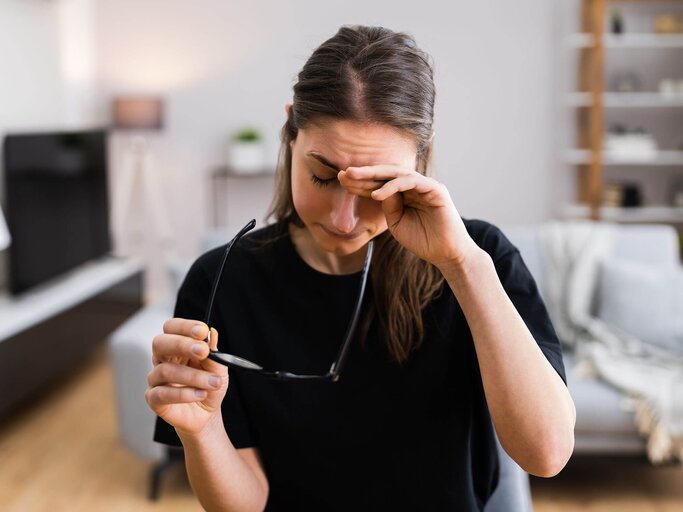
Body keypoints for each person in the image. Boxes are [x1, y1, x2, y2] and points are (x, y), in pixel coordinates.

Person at [147, 25, 576, 511]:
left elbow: (546, 453)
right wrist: (202, 432)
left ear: (421, 156)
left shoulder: (481, 257)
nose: (342, 219)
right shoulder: (221, 281)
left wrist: (462, 266)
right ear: (290, 131)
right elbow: (246, 504)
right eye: (322, 176)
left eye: (375, 187)